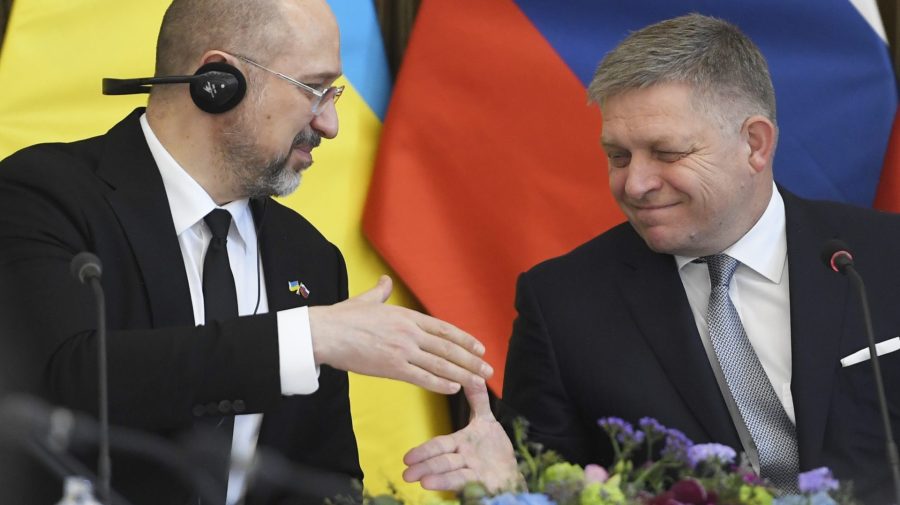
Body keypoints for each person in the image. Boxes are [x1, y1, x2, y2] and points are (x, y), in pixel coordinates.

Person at [0, 0, 493, 504]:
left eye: (334, 95)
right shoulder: (42, 194)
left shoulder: (310, 257)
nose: (330, 124)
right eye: (314, 90)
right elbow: (66, 378)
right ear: (217, 82)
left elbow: (326, 477)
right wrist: (305, 338)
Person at [402, 13, 900, 503]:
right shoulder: (561, 305)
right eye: (618, 157)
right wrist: (511, 487)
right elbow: (550, 483)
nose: (634, 184)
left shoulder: (885, 257)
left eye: (666, 153)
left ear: (754, 144)